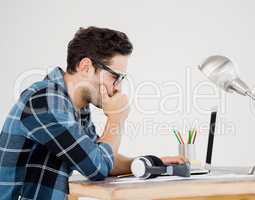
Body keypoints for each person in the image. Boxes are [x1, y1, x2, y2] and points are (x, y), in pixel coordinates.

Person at [0, 26, 188, 200]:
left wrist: (150, 163)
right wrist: (116, 118)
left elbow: (100, 158)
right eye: (115, 77)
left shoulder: (76, 107)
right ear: (86, 67)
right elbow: (98, 167)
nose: (118, 88)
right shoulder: (46, 101)